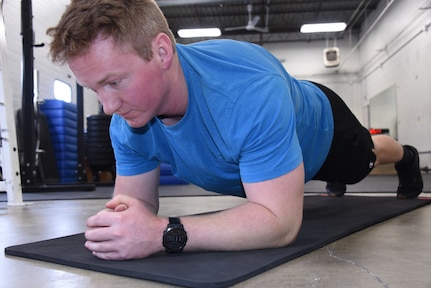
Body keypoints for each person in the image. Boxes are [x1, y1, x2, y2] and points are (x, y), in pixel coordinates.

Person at [46, 0, 423, 260]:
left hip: (324, 131)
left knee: (365, 161)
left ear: (161, 52)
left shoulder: (246, 91)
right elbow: (139, 203)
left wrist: (164, 233)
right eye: (95, 89)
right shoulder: (127, 123)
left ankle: (404, 154)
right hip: (272, 156)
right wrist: (123, 224)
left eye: (114, 82)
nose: (108, 106)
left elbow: (280, 224)